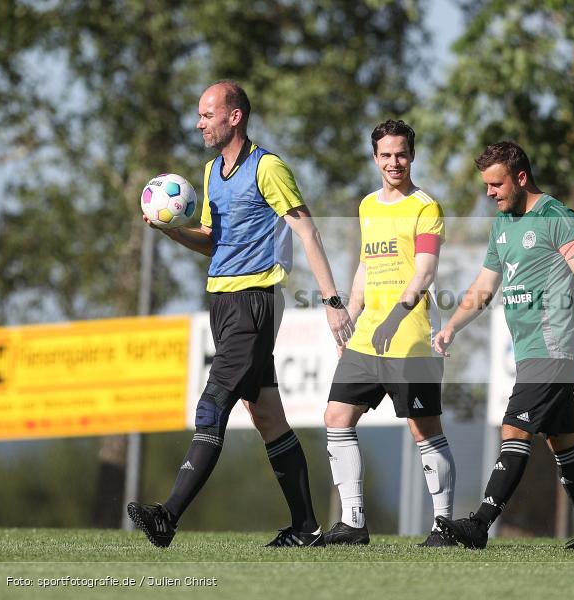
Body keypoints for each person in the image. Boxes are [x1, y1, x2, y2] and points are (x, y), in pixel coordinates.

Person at [127, 80, 353, 548]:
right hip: (223, 302)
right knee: (267, 415)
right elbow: (213, 241)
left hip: (255, 302)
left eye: (207, 115)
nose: (199, 124)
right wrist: (172, 230)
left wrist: (332, 302)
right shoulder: (211, 171)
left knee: (212, 404)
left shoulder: (268, 167)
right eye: (199, 115)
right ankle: (306, 527)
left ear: (235, 117)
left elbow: (307, 232)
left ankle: (168, 516)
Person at [433, 141, 574, 550]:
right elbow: (484, 286)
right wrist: (453, 327)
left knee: (514, 429)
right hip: (529, 350)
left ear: (521, 177)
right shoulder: (502, 224)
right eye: (486, 185)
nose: (490, 193)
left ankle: (479, 524)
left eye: (497, 184)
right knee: (564, 441)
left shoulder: (556, 218)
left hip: (554, 347)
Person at [322, 119, 456, 547]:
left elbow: (425, 271)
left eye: (401, 154)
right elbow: (366, 266)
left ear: (412, 155)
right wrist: (350, 318)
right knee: (337, 417)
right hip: (366, 338)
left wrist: (395, 317)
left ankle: (443, 526)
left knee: (424, 428)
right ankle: (353, 522)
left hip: (411, 338)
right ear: (375, 157)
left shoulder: (425, 207)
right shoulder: (367, 206)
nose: (394, 162)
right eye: (386, 155)